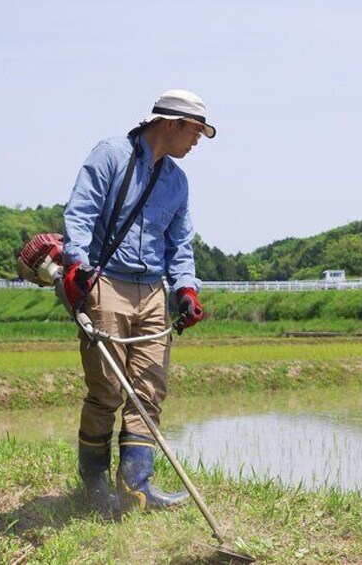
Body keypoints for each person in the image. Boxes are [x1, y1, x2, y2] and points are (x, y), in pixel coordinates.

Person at [62, 89, 215, 517]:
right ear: (171, 123)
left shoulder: (177, 181)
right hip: (105, 282)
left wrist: (185, 289)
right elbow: (79, 214)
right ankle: (93, 485)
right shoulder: (110, 156)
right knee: (108, 389)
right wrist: (77, 266)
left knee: (148, 389)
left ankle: (137, 487)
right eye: (195, 132)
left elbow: (180, 244)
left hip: (152, 292)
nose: (197, 142)